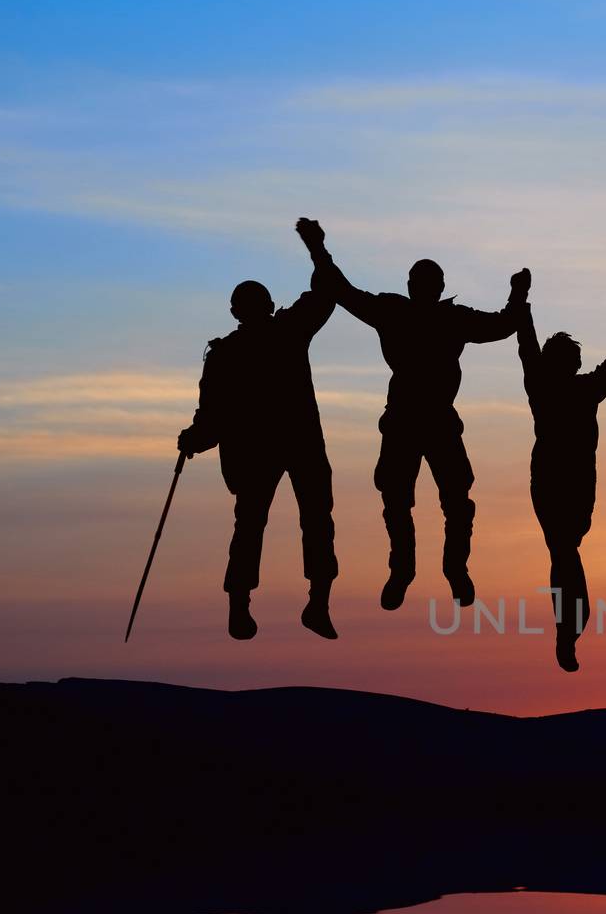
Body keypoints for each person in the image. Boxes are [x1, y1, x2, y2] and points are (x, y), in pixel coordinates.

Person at [295, 217, 528, 608]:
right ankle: (408, 570)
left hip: (432, 420)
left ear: (431, 288)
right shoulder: (402, 312)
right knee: (403, 499)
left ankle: (448, 570)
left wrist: (517, 296)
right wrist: (317, 249)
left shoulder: (438, 316)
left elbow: (503, 325)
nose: (421, 290)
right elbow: (343, 291)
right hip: (408, 420)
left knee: (448, 500)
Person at [177, 261, 339, 642]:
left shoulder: (227, 353)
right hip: (294, 444)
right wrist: (318, 252)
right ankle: (314, 604)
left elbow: (210, 417)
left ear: (236, 312)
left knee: (255, 526)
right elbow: (324, 295)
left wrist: (194, 439)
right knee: (311, 522)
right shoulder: (286, 331)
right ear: (268, 305)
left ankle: (246, 605)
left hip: (265, 450)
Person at [517, 301, 606, 671]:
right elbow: (528, 348)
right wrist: (522, 307)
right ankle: (569, 627)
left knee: (565, 549)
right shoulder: (550, 386)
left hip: (579, 485)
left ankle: (570, 625)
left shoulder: (583, 389)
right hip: (552, 483)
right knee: (563, 548)